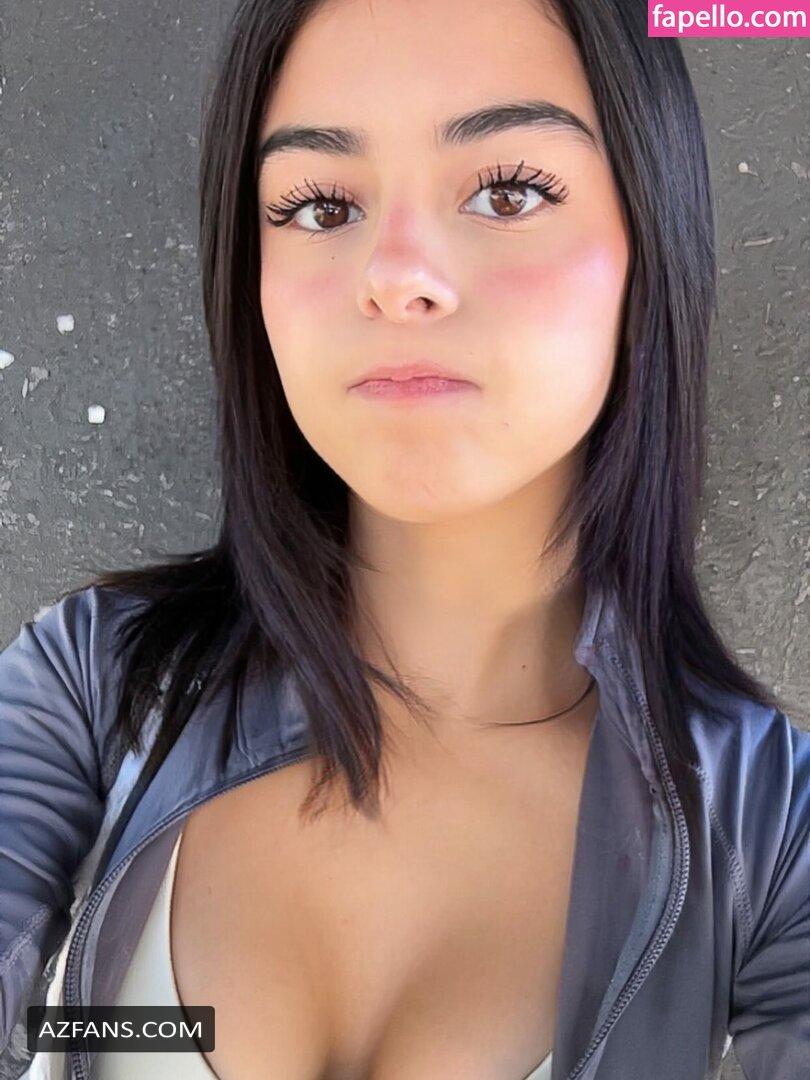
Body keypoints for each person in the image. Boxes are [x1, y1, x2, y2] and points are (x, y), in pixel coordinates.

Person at [1, 1, 807, 1078]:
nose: (394, 273)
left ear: (649, 239)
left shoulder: (772, 831)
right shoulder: (96, 684)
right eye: (322, 204)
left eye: (508, 192)